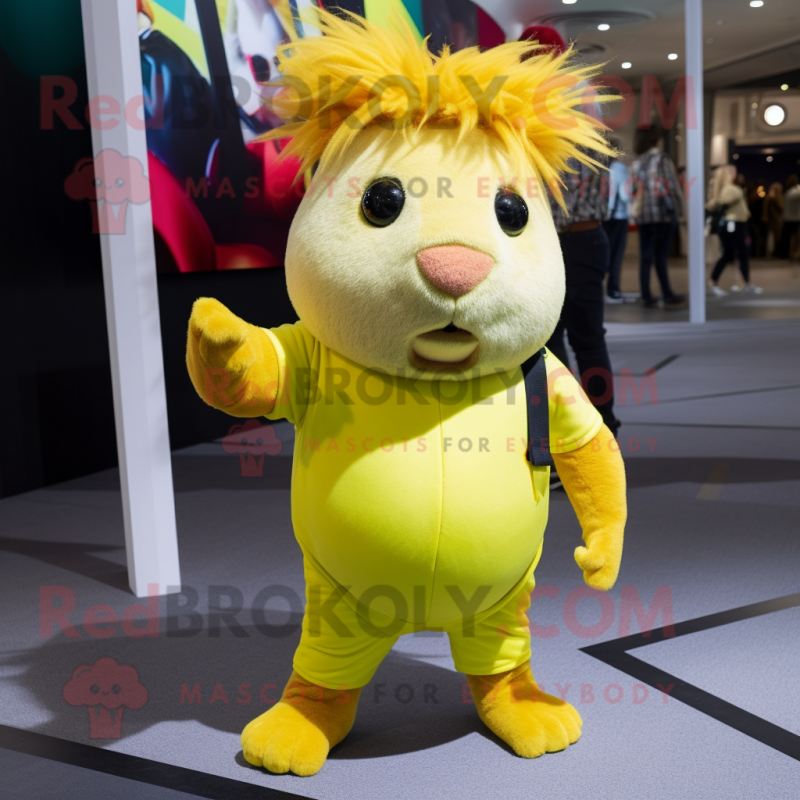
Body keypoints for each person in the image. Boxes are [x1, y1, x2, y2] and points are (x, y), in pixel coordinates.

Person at [547, 154, 621, 437]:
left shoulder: (542, 132)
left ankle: (589, 428)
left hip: (567, 240)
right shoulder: (593, 136)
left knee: (562, 342)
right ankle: (592, 427)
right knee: (580, 342)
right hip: (581, 238)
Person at [630, 124, 687, 308]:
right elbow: (672, 187)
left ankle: (646, 295)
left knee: (646, 257)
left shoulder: (637, 162)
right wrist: (680, 211)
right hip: (662, 215)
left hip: (644, 216)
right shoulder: (662, 159)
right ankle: (667, 294)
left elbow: (633, 189)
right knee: (661, 257)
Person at [707, 164, 762, 295]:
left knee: (729, 254)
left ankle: (715, 281)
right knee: (739, 253)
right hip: (733, 225)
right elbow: (722, 202)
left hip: (734, 225)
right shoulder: (730, 189)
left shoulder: (727, 188)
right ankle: (745, 283)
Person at [603, 138, 630, 303]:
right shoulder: (620, 169)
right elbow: (624, 195)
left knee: (605, 255)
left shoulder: (601, 168)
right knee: (616, 256)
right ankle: (613, 291)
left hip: (604, 217)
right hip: (618, 217)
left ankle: (606, 290)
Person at [780, 175, 800, 261]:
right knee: (796, 238)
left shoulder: (788, 192)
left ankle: (787, 254)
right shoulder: (797, 192)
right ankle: (795, 254)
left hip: (787, 217)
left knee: (787, 237)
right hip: (796, 218)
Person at [763, 182, 784, 256]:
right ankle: (771, 252)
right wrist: (765, 217)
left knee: (778, 236)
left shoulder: (780, 197)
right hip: (772, 220)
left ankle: (777, 251)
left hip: (778, 219)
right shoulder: (769, 198)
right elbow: (765, 209)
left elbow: (781, 208)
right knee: (771, 236)